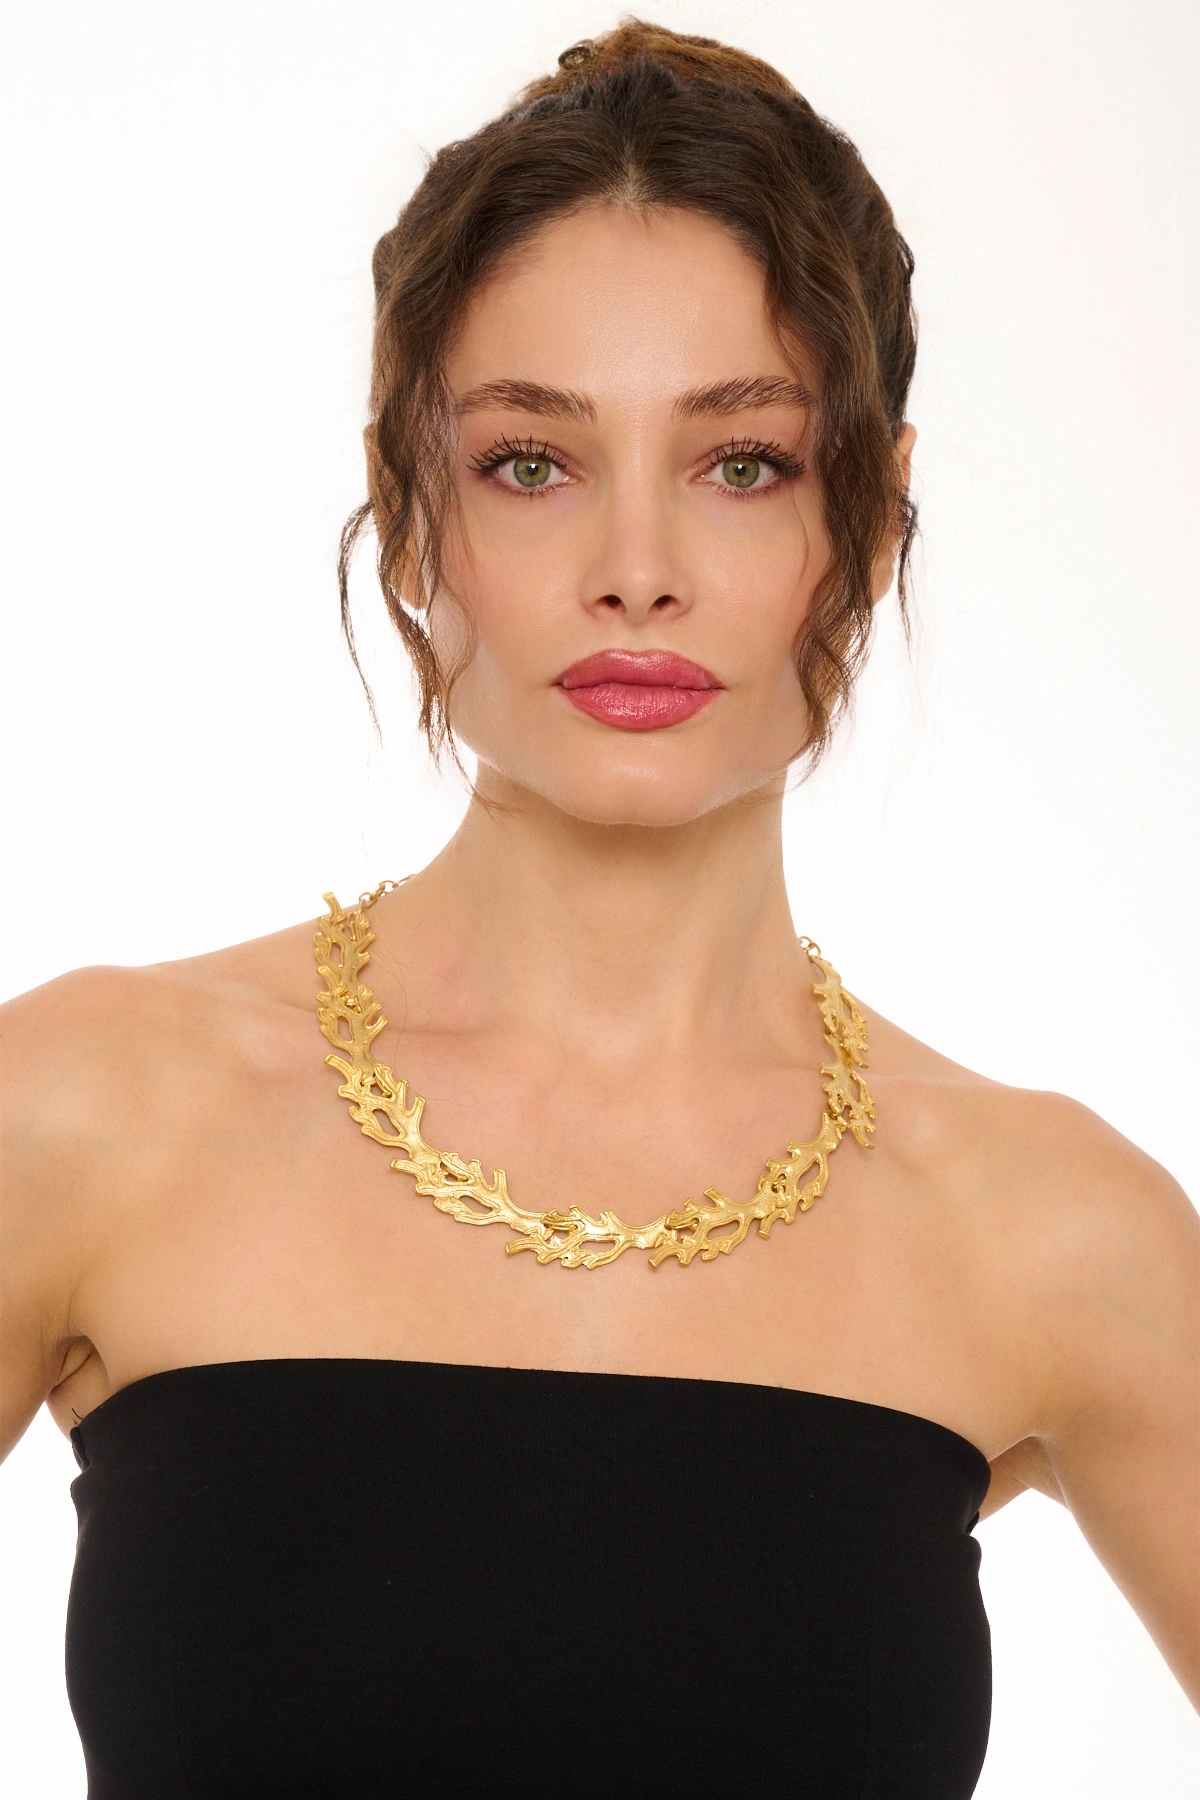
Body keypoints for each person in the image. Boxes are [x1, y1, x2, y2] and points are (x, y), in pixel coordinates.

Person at [1, 20, 1196, 1798]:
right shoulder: (88, 1111)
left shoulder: (1051, 1229)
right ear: (411, 513)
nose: (637, 569)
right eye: (532, 462)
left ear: (871, 526)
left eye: (744, 462)